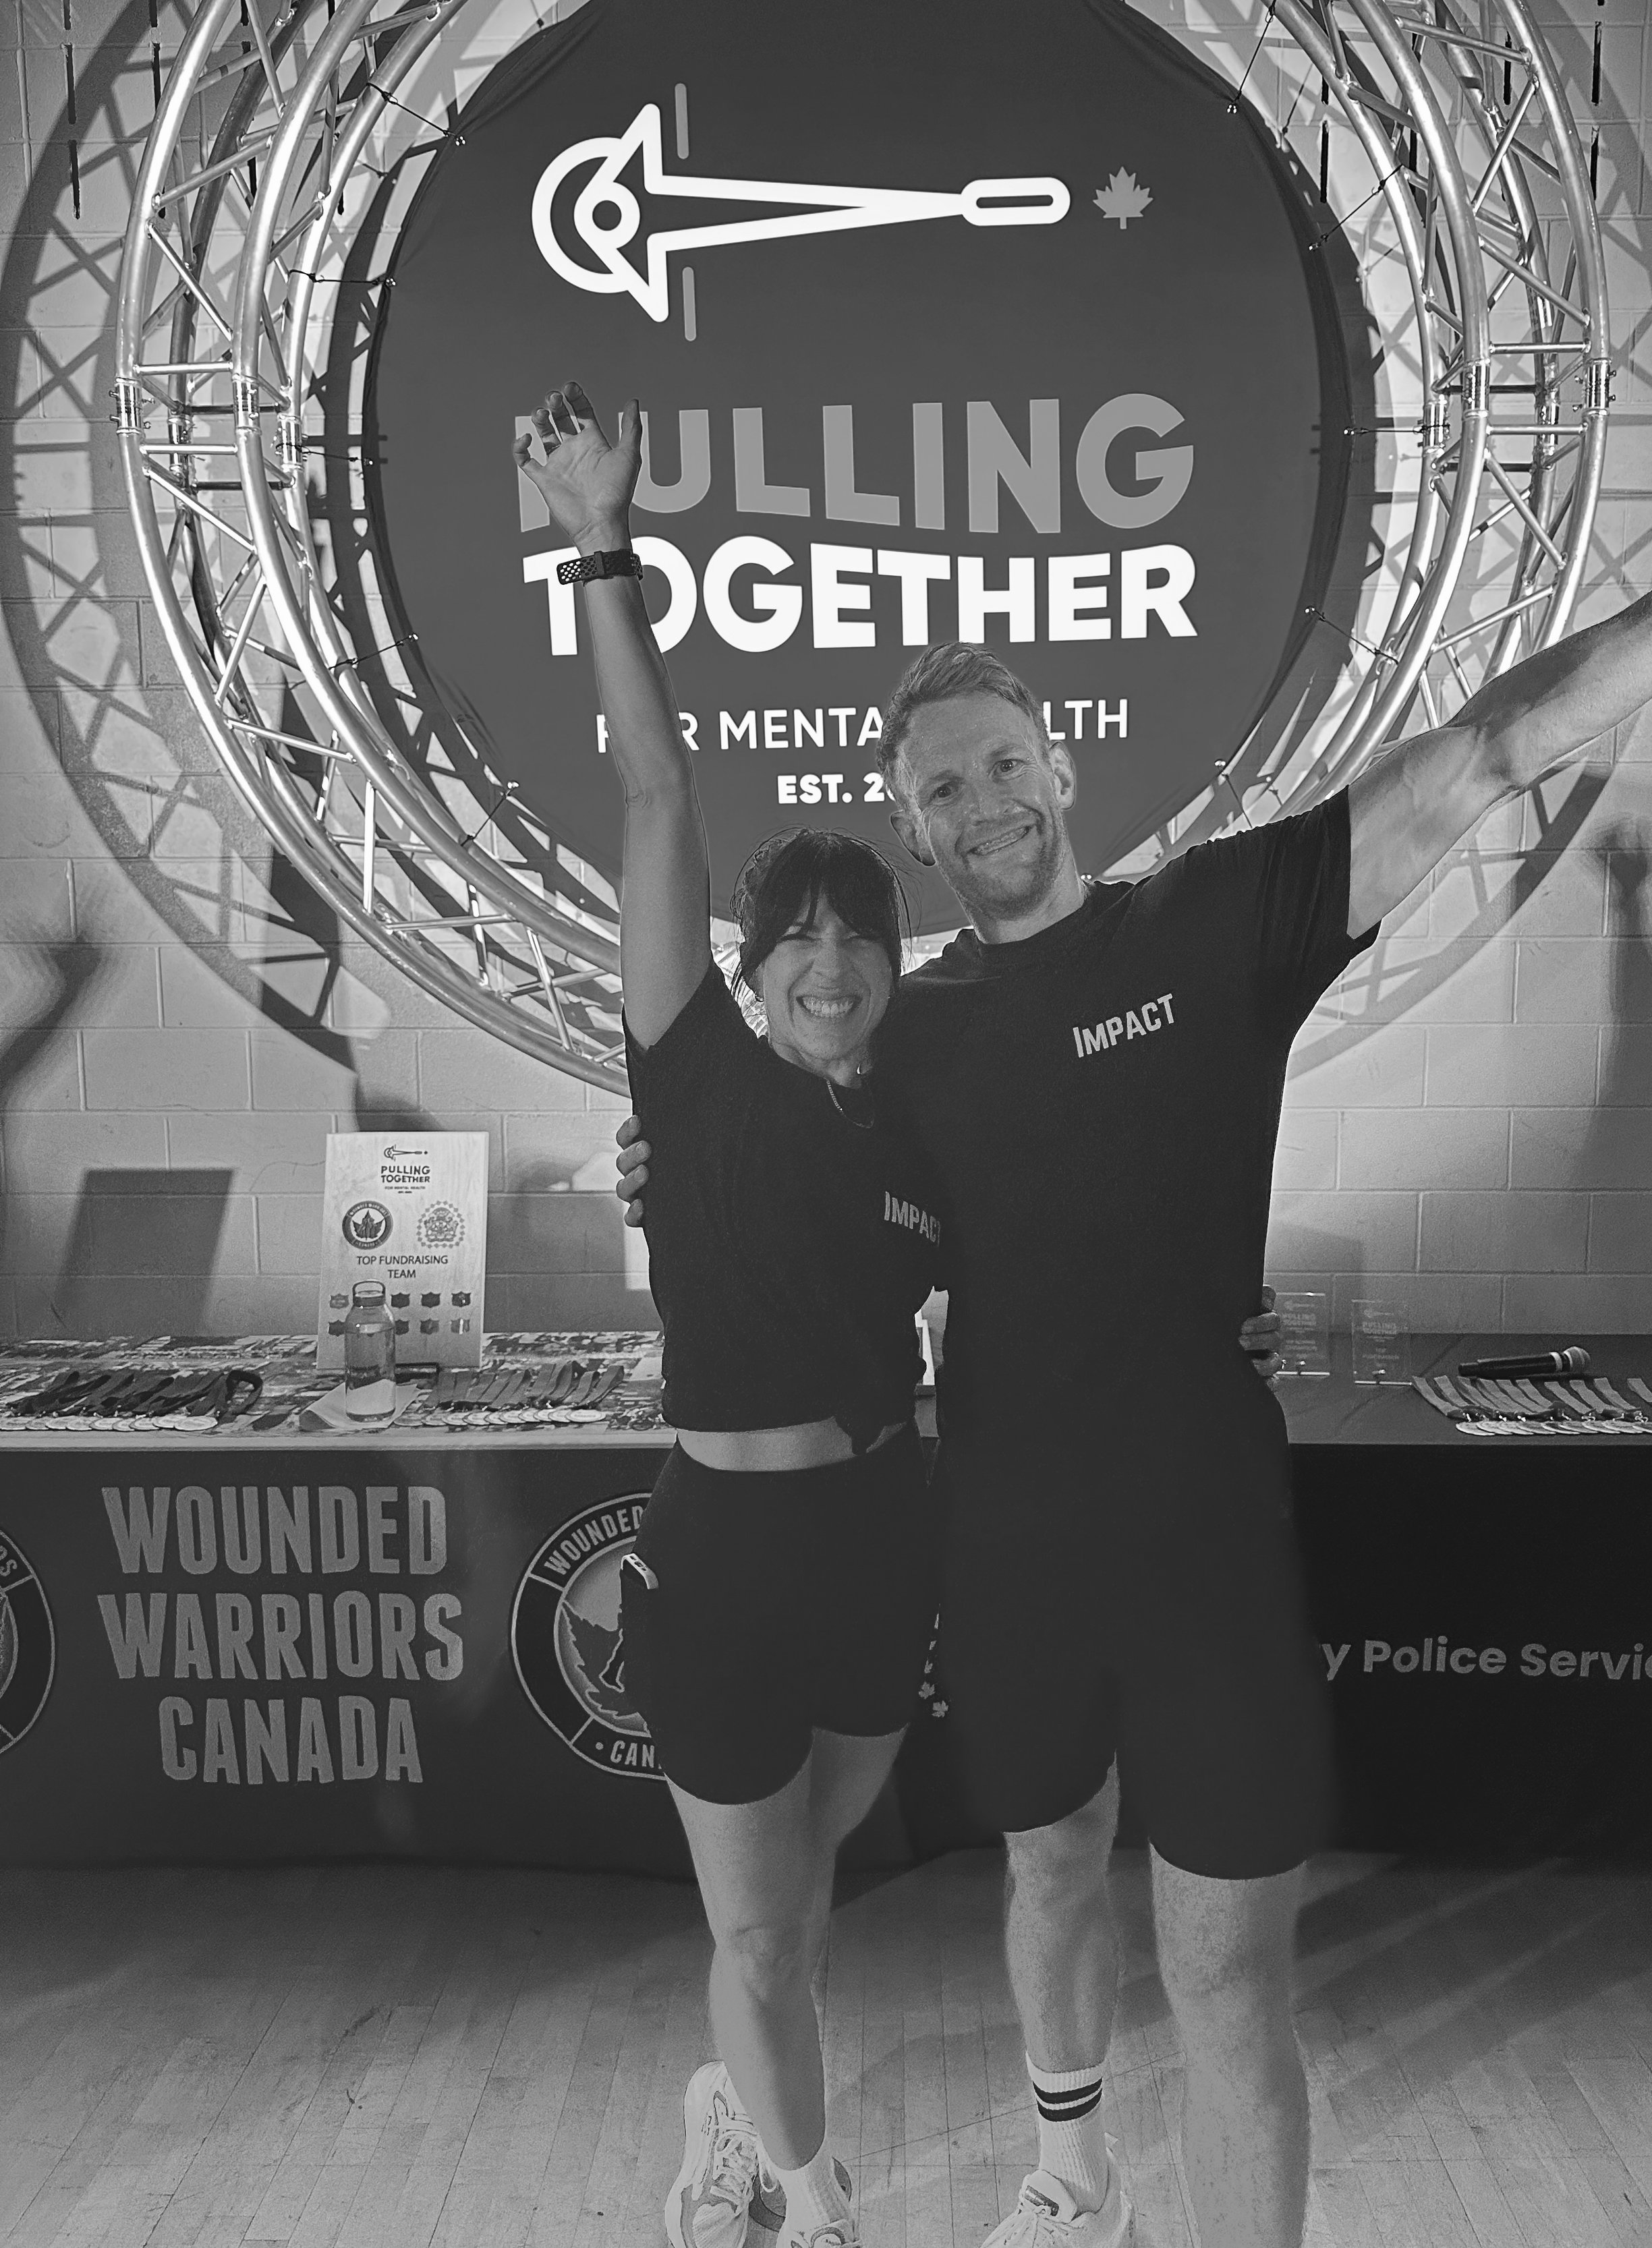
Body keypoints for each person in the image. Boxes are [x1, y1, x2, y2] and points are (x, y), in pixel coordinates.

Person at [620, 564, 1652, 2248]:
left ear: (1059, 768)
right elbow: (749, 1134)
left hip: (1204, 1538)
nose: (979, 806)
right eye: (939, 790)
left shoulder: (1215, 921)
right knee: (1046, 1871)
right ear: (916, 831)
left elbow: (1486, 748)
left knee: (1224, 1968)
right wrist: (657, 1165)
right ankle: (1072, 2181)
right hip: (1006, 1538)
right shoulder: (906, 1037)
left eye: (998, 765)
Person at [516, 382, 945, 2248]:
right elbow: (650, 781)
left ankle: (728, 2096)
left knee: (802, 1892)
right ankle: (807, 2191)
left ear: (888, 969)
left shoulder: (939, 1125)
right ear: (755, 974)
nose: (833, 965)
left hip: (882, 1535)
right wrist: (601, 536)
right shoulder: (688, 1072)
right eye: (801, 943)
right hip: (722, 1543)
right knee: (762, 1927)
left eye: (861, 939)